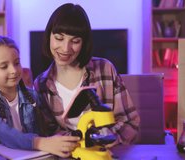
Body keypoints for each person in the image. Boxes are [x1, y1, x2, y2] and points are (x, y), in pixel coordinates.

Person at [34, 3, 140, 146]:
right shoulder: (41, 85)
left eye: (75, 41)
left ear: (84, 43)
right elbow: (49, 132)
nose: (66, 48)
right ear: (49, 37)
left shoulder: (105, 69)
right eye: (59, 38)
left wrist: (103, 139)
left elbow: (130, 122)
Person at [0, 35, 80, 158]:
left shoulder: (32, 95)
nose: (13, 70)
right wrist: (41, 143)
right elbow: (4, 134)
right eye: (4, 66)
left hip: (29, 155)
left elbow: (48, 127)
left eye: (17, 63)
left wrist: (63, 139)